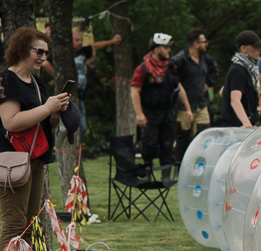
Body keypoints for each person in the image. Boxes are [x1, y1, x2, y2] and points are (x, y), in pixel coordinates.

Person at [0, 27, 70, 251]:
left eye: (46, 52)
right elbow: (10, 121)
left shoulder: (37, 83)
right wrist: (47, 107)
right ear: (23, 50)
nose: (43, 57)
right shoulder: (6, 81)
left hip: (34, 159)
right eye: (39, 51)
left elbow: (42, 122)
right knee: (14, 223)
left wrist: (58, 112)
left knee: (28, 223)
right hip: (12, 162)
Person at [43, 28, 122, 138]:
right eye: (77, 40)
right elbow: (45, 63)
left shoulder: (83, 52)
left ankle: (73, 150)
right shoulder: (63, 54)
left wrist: (112, 42)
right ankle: (61, 149)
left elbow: (95, 46)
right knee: (67, 127)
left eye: (81, 40)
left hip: (79, 95)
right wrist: (58, 78)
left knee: (81, 128)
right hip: (66, 95)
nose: (80, 42)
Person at [130, 33, 176, 175]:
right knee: (149, 145)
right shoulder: (142, 69)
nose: (169, 50)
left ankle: (166, 177)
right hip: (150, 113)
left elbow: (179, 87)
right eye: (166, 47)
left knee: (167, 145)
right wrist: (139, 114)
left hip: (167, 112)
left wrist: (187, 108)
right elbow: (134, 91)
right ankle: (147, 175)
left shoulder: (171, 67)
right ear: (157, 49)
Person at [170, 29, 218, 162]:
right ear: (196, 44)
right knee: (182, 139)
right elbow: (172, 78)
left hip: (201, 104)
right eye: (204, 42)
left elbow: (215, 69)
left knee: (204, 137)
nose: (206, 44)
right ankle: (179, 167)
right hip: (183, 107)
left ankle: (199, 165)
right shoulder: (180, 60)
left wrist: (208, 83)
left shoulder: (205, 59)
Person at [220, 31, 261, 128]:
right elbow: (235, 100)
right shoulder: (239, 70)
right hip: (236, 127)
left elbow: (222, 92)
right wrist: (246, 123)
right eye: (255, 46)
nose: (260, 49)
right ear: (243, 48)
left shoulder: (247, 69)